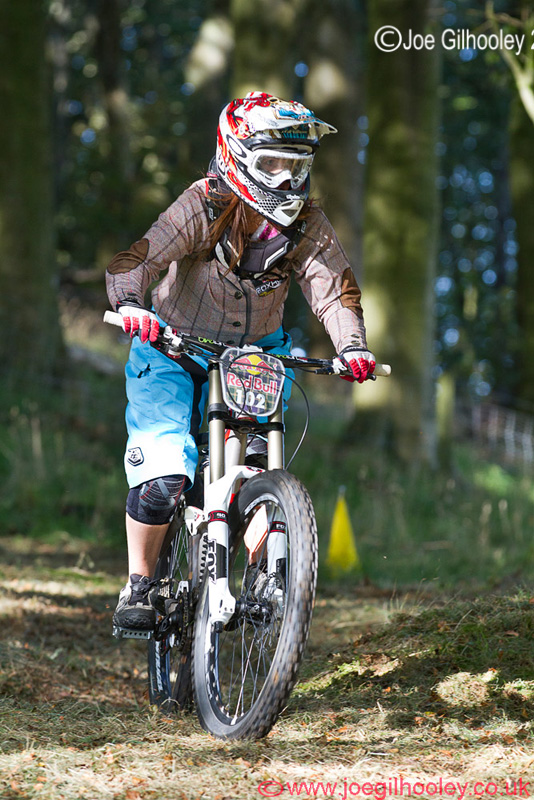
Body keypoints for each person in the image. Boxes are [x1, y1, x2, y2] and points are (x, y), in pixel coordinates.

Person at [106, 91, 375, 636]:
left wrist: (353, 347)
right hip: (170, 346)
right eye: (271, 164)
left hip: (254, 358)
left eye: (296, 167)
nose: (285, 181)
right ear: (237, 157)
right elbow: (137, 259)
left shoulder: (309, 225)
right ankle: (138, 582)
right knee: (166, 474)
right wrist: (132, 305)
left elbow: (335, 292)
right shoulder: (204, 204)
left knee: (257, 466)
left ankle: (273, 577)